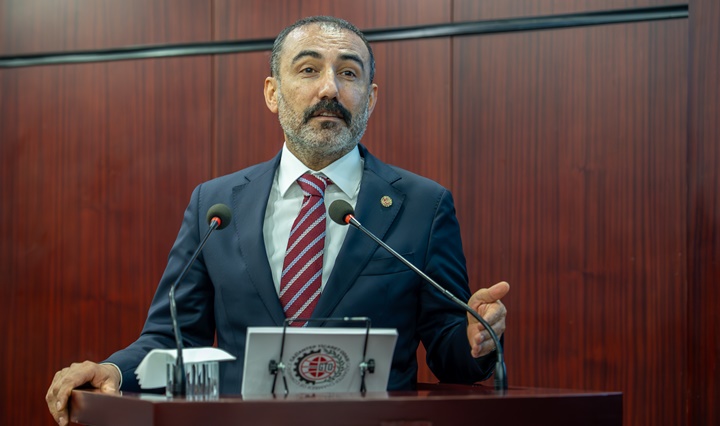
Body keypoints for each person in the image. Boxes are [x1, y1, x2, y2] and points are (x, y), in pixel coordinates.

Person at [46, 15, 509, 425]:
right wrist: (112, 370)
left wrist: (476, 337)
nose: (329, 89)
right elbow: (173, 337)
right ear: (272, 92)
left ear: (370, 99)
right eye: (308, 70)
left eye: (349, 73)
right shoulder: (216, 205)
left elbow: (449, 349)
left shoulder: (423, 205)